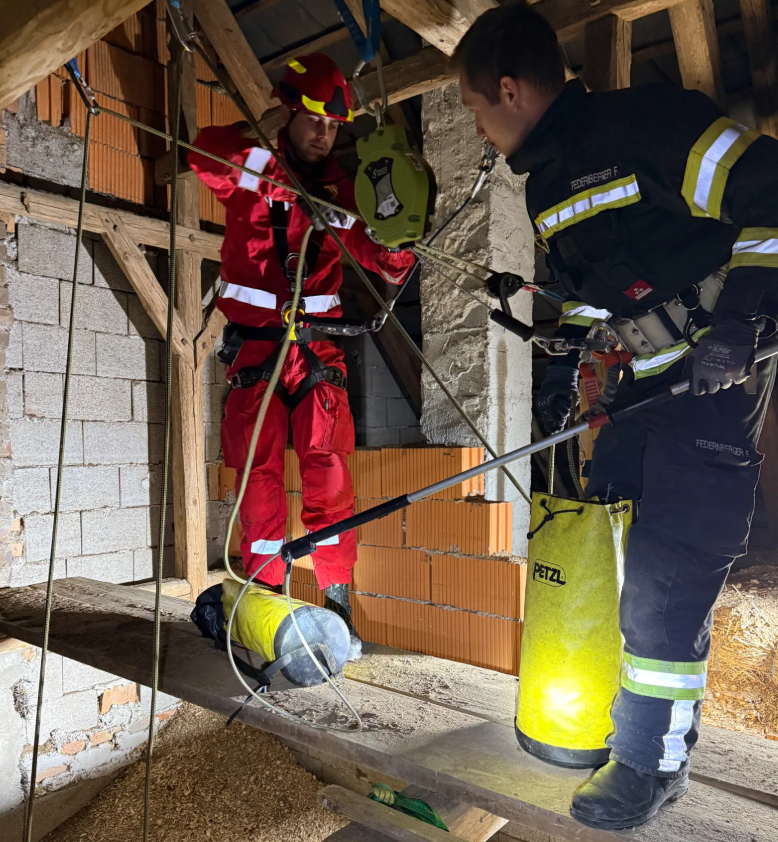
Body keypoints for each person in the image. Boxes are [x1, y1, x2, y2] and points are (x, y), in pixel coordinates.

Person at [453, 2, 778, 830]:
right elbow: (608, 286)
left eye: (473, 110)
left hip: (712, 387)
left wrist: (739, 324)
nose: (478, 128)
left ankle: (650, 763)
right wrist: (571, 340)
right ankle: (611, 721)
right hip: (638, 391)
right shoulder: (548, 187)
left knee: (668, 586)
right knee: (612, 565)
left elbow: (771, 192)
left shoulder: (650, 127)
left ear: (508, 87)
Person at [189, 54, 415, 661]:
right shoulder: (251, 169)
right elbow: (202, 152)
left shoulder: (342, 191)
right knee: (257, 487)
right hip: (258, 357)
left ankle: (337, 602)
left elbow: (387, 257)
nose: (324, 133)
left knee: (331, 482)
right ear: (289, 114)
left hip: (315, 354)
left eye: (334, 125)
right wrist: (278, 179)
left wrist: (398, 235)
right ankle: (265, 601)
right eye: (313, 119)